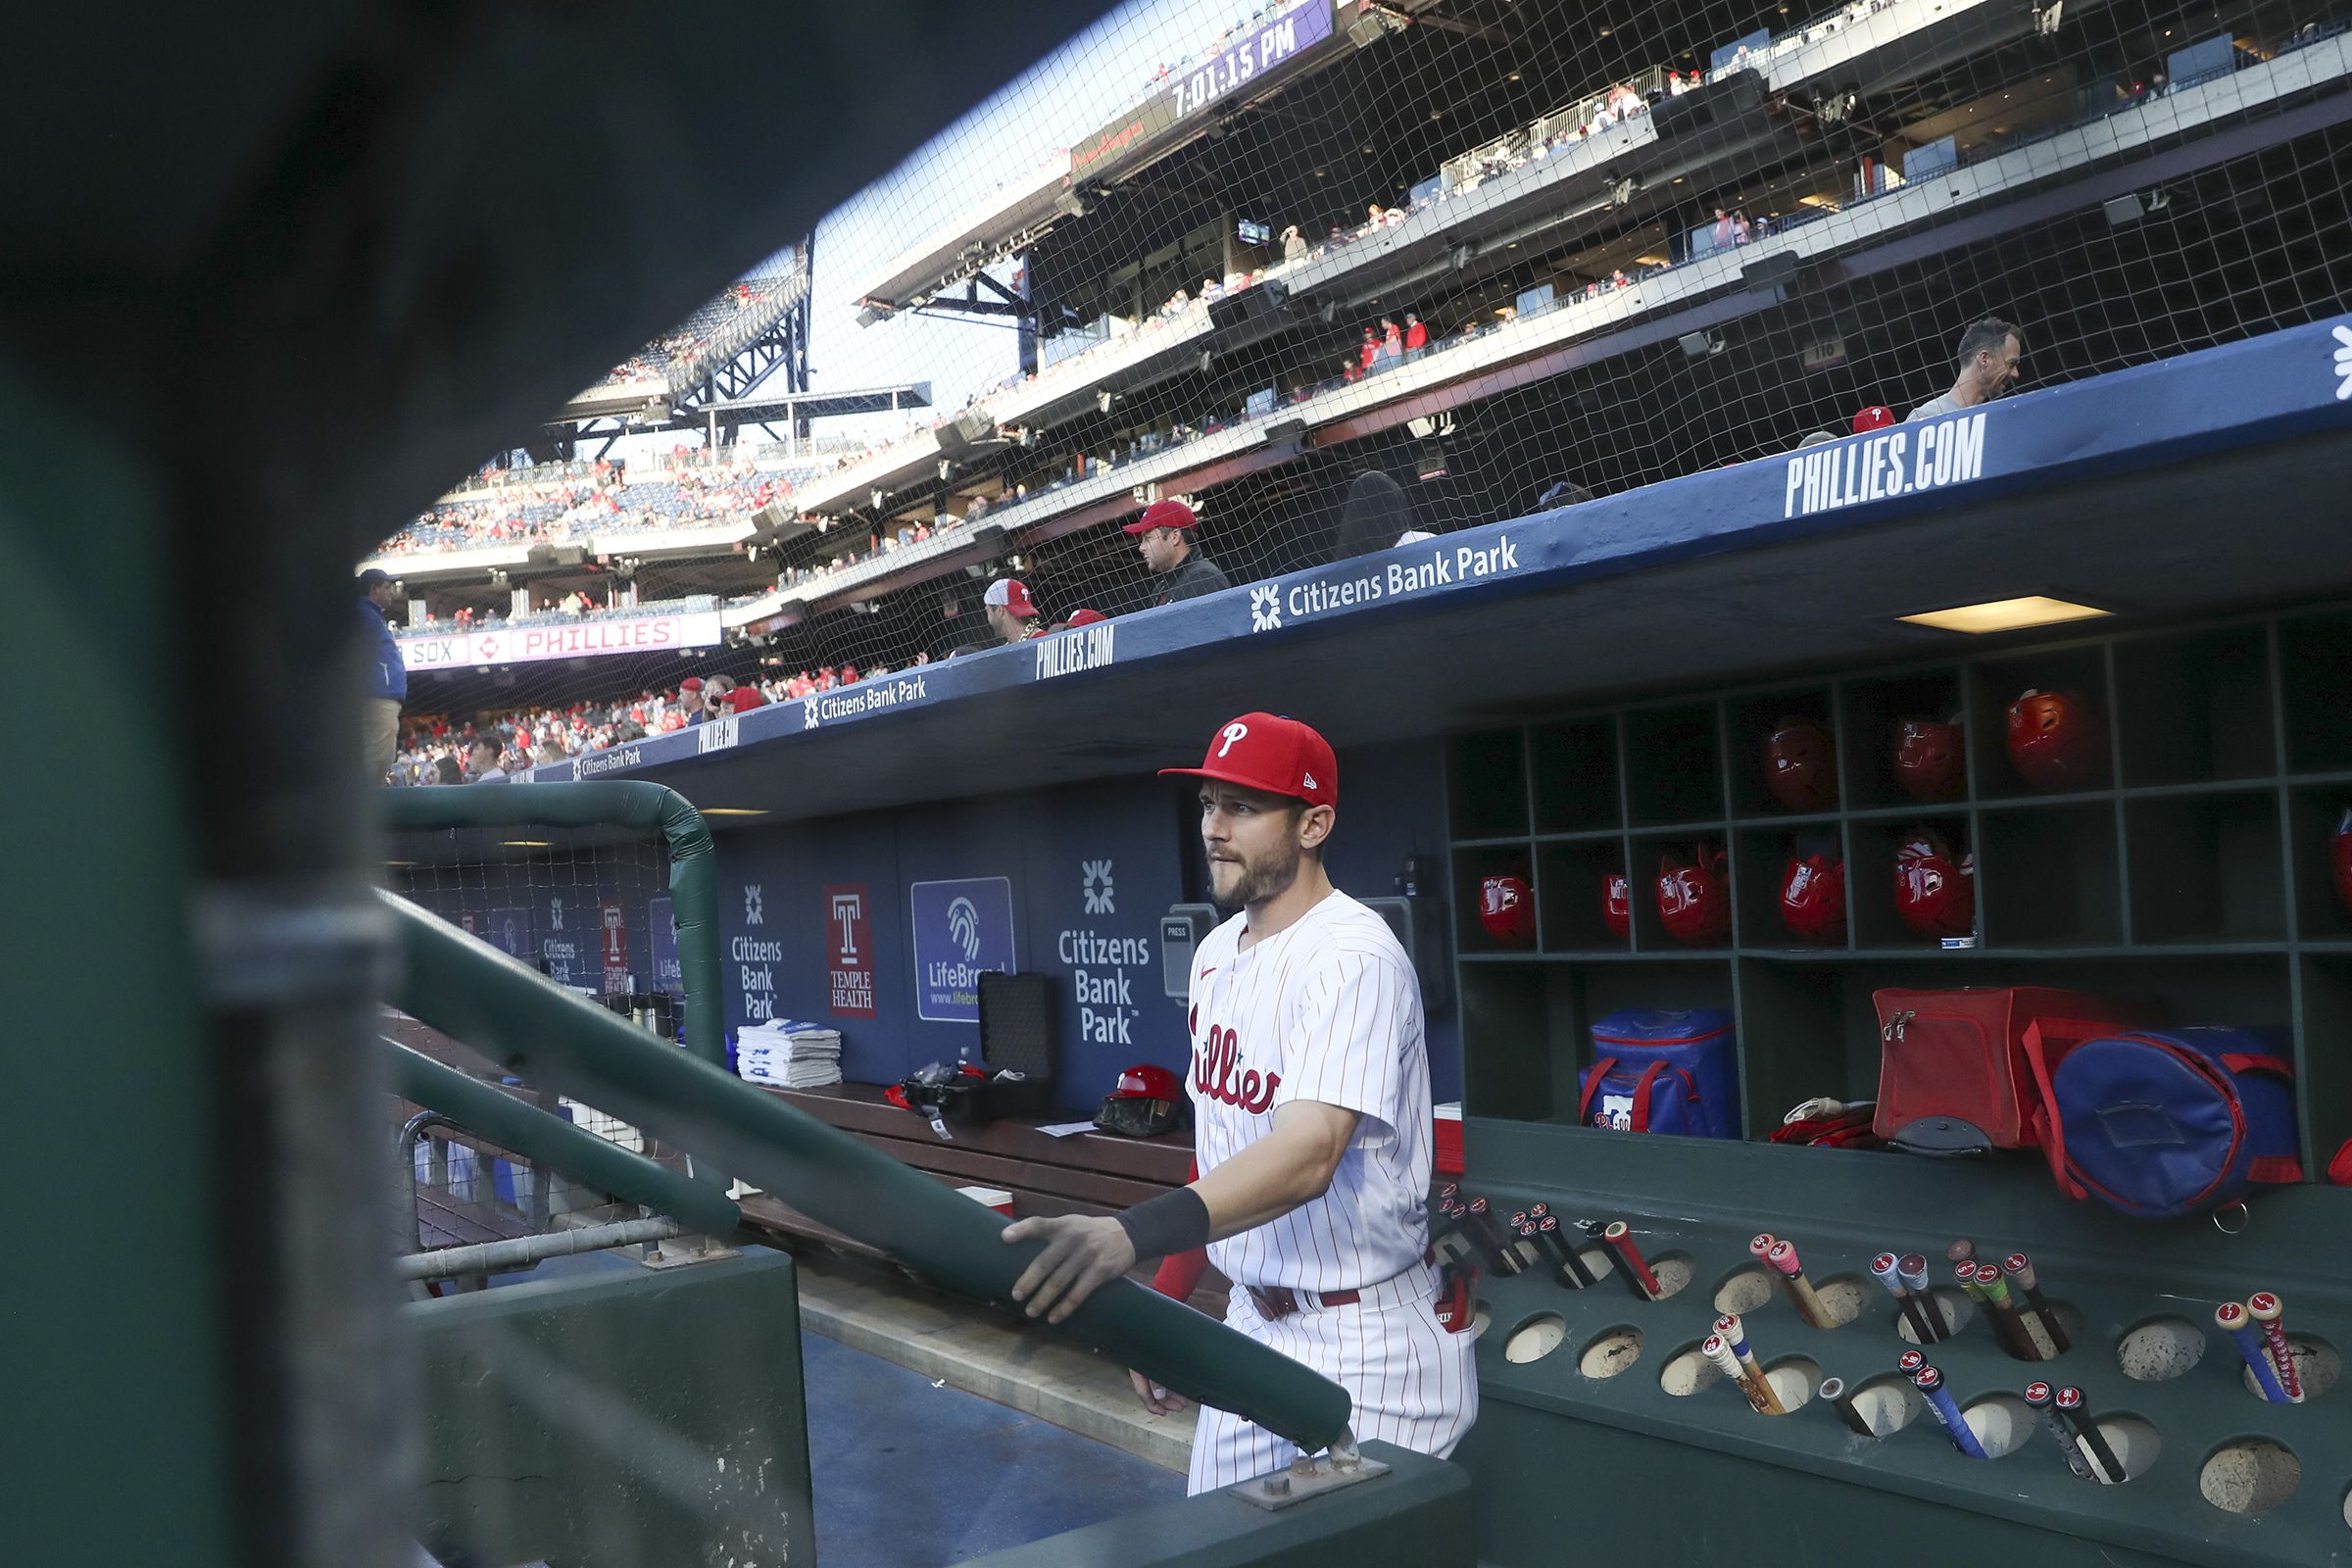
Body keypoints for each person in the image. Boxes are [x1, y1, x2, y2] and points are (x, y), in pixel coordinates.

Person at [1002, 713, 1475, 1494]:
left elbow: (1308, 1152)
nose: (1214, 830)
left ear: (1315, 823)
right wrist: (1170, 1298)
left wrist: (1132, 1234)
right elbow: (1226, 1146)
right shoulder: (1218, 954)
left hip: (1366, 1338)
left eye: (1244, 808)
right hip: (1251, 1324)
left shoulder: (1353, 957)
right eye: (1208, 805)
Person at [1907, 316, 2024, 421]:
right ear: (1984, 359)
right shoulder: (1926, 417)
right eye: (2011, 364)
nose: (2015, 374)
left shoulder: (1992, 422)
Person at [1124, 498, 1231, 607]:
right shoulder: (1161, 589)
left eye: (1148, 538)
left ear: (1174, 537)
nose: (1141, 547)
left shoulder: (1202, 578)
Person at [358, 568, 407, 782]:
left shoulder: (368, 614)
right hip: (377, 697)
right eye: (387, 588)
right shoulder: (364, 614)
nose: (391, 593)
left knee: (379, 759)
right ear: (374, 589)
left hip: (377, 695)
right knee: (377, 760)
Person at [983, 577, 1045, 644]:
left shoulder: (1043, 643)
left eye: (987, 611)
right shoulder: (1043, 640)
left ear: (999, 611)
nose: (988, 619)